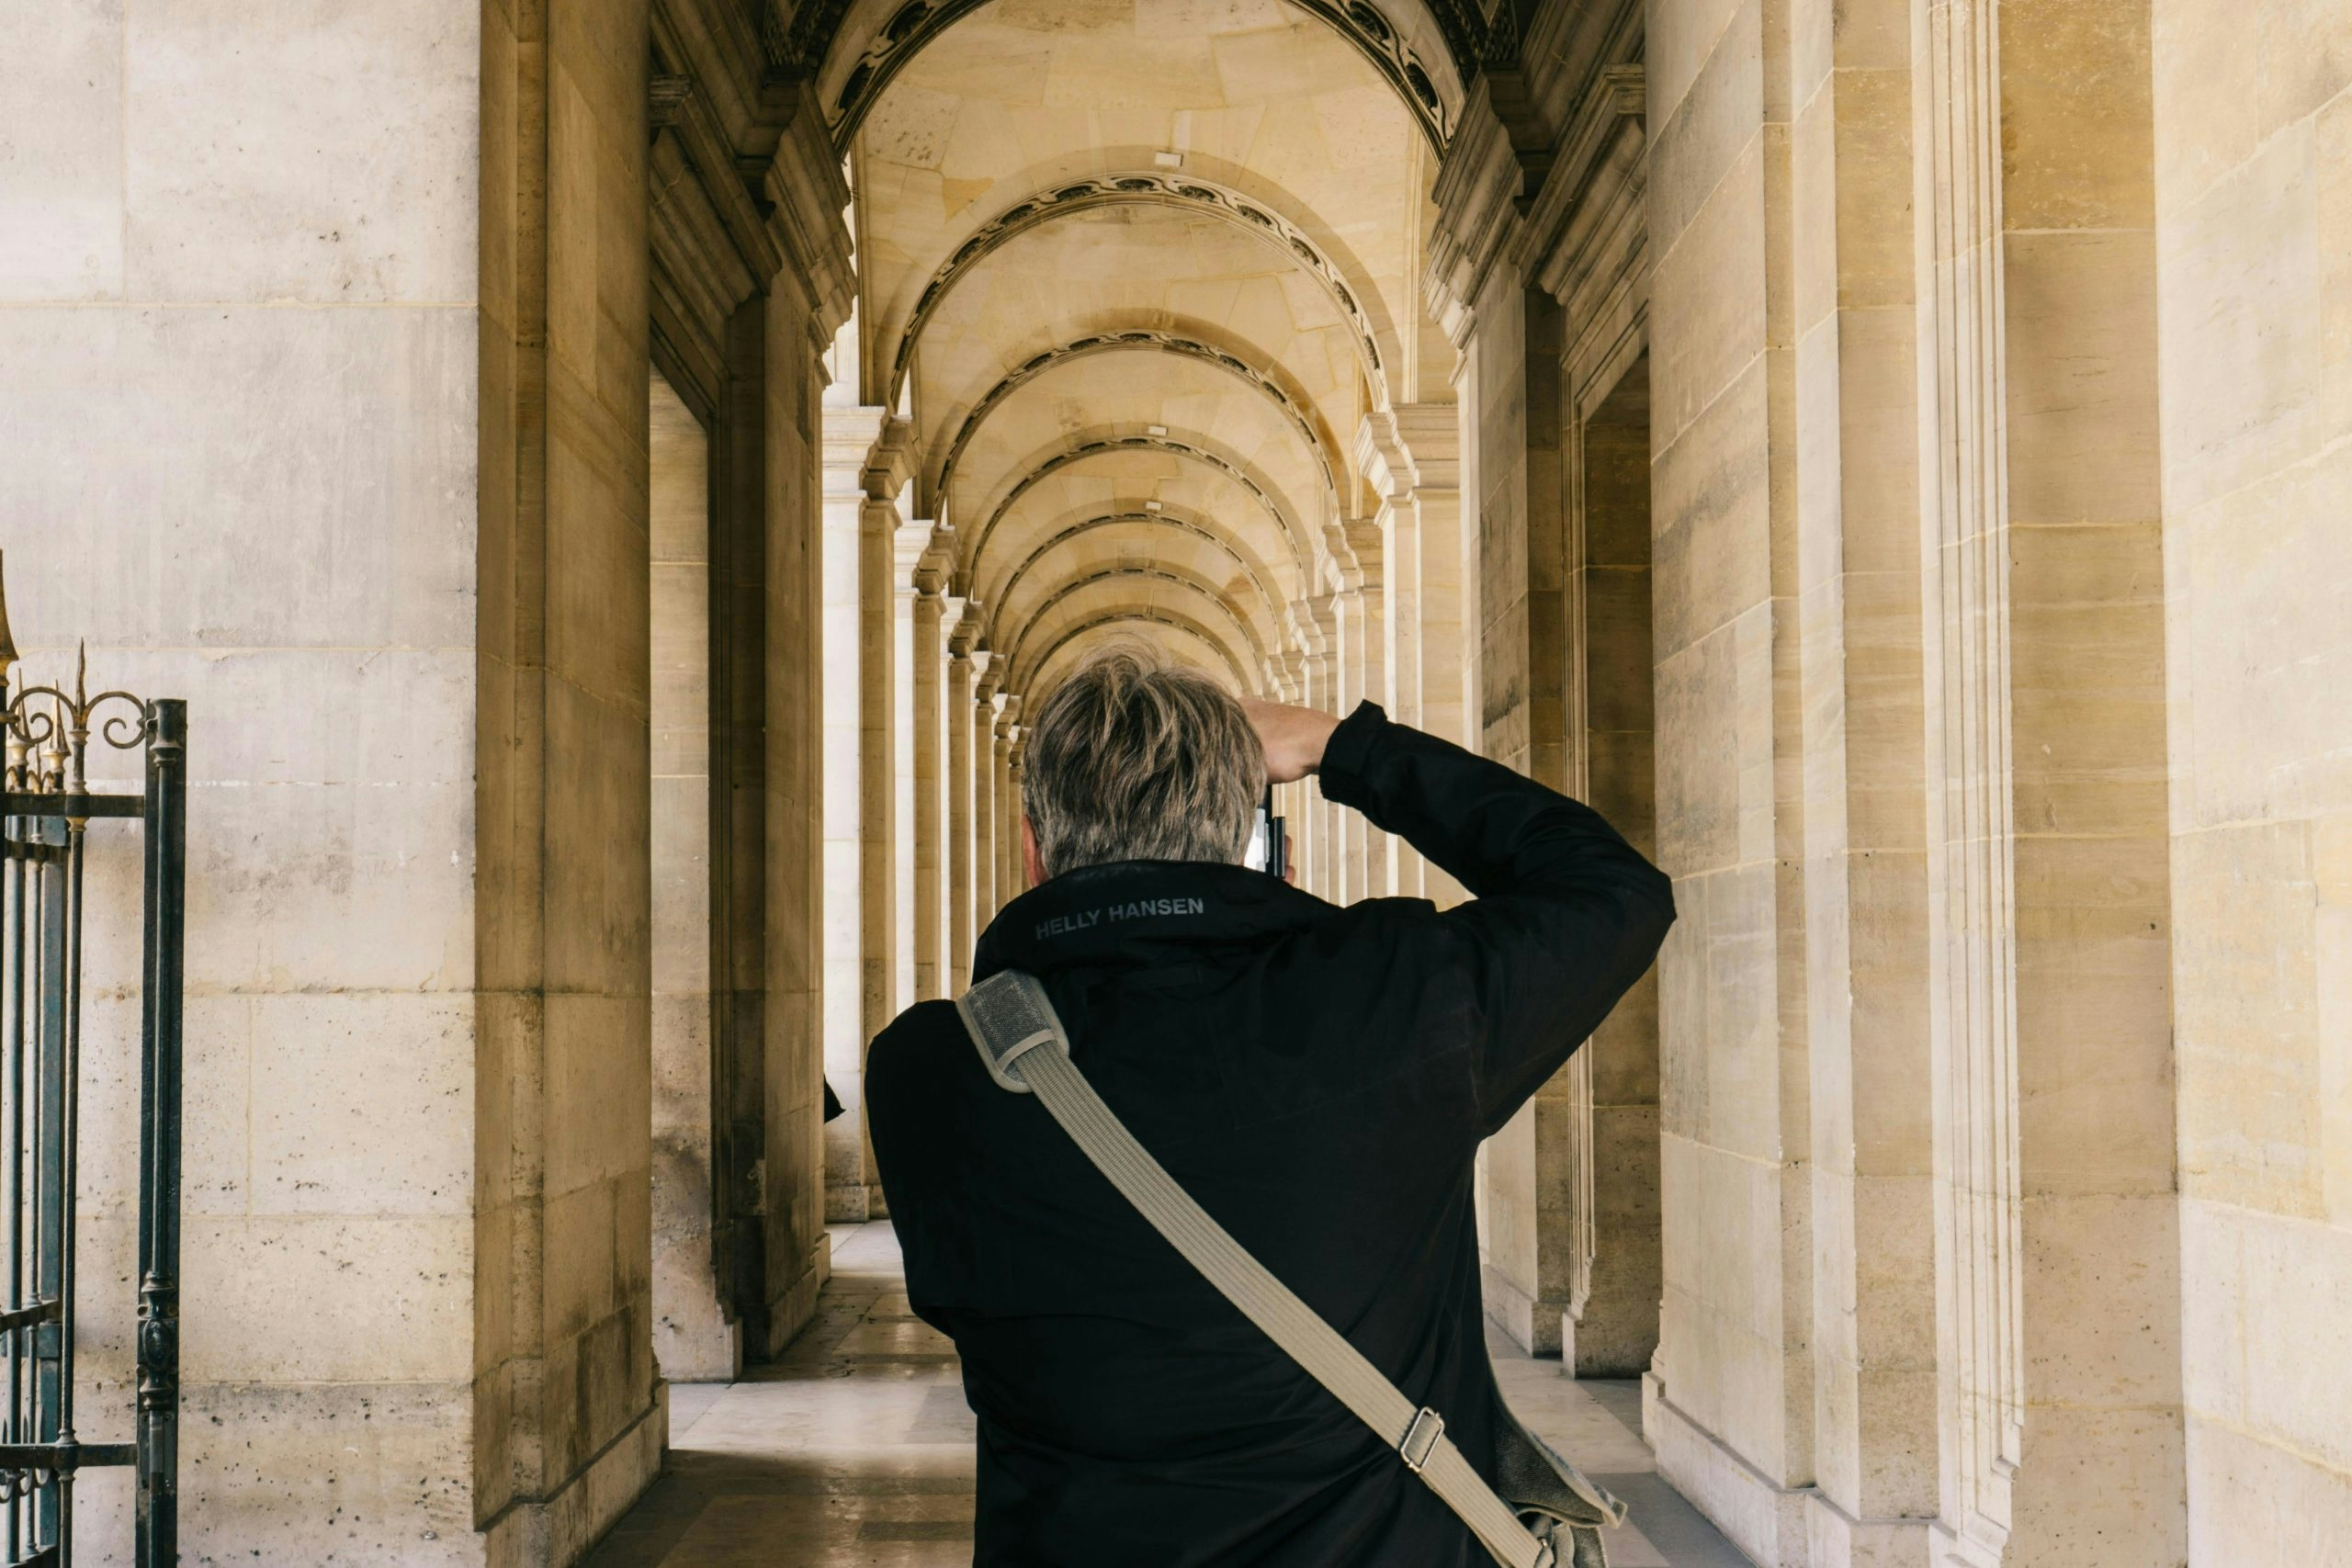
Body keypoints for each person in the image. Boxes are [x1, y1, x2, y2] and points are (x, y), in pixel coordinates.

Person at [865, 644, 1674, 1567]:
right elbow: (1613, 889)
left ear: (1032, 847)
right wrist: (1347, 747)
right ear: (1238, 832)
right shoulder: (1393, 1005)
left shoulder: (926, 1074)